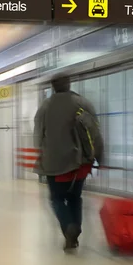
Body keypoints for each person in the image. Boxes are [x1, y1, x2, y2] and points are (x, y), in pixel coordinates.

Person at [34, 74, 102, 251]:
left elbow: (37, 137)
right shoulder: (82, 103)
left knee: (56, 199)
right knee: (75, 198)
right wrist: (98, 157)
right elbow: (95, 131)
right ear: (69, 84)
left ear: (53, 87)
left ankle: (68, 228)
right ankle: (75, 230)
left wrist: (44, 150)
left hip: (53, 162)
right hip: (79, 161)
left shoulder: (45, 107)